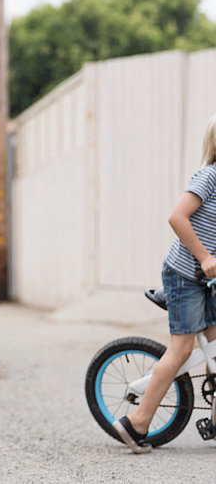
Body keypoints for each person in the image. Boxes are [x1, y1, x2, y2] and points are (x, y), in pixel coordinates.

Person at [113, 114, 216, 454]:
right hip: (186, 274)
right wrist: (204, 257)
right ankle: (138, 421)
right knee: (182, 348)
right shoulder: (209, 176)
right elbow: (177, 216)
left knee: (215, 343)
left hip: (207, 280)